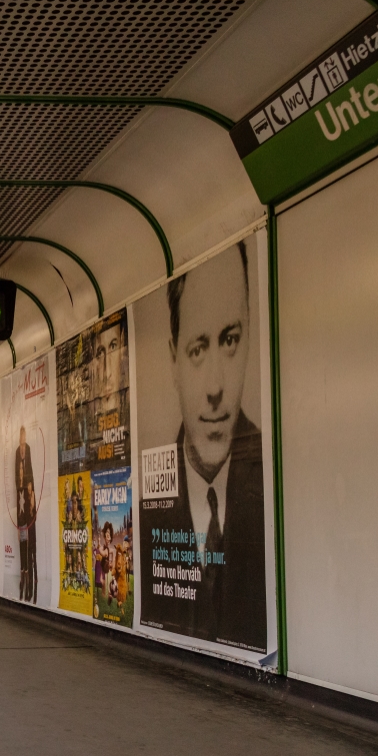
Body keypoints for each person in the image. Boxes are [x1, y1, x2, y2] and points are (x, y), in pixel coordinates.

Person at [147, 241, 267, 650]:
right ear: (173, 361)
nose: (216, 387)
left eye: (230, 340)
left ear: (250, 335)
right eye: (198, 349)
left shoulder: (277, 484)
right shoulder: (145, 509)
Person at [14, 425, 37, 602]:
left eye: (24, 434)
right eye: (21, 434)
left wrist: (29, 486)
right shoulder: (17, 452)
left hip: (27, 510)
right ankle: (24, 570)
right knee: (22, 536)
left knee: (29, 539)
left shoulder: (28, 449)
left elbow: (27, 470)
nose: (23, 437)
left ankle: (29, 571)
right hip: (21, 504)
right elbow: (18, 474)